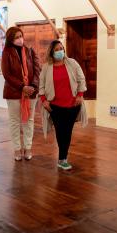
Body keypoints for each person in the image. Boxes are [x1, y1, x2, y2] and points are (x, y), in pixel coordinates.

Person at [39, 40, 87, 170]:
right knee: (60, 133)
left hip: (72, 105)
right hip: (55, 107)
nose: (60, 51)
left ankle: (63, 158)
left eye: (62, 48)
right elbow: (41, 85)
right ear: (51, 52)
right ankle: (62, 158)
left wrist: (80, 95)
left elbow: (81, 79)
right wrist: (44, 100)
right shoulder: (46, 67)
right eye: (57, 49)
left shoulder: (72, 63)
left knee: (68, 132)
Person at [1, 27, 41, 161]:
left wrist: (33, 86)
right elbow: (7, 74)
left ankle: (28, 147)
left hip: (31, 92)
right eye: (16, 37)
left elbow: (37, 69)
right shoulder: (6, 52)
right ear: (10, 39)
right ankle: (17, 149)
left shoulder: (29, 50)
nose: (19, 39)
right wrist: (22, 86)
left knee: (29, 121)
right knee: (15, 121)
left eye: (20, 36)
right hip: (14, 92)